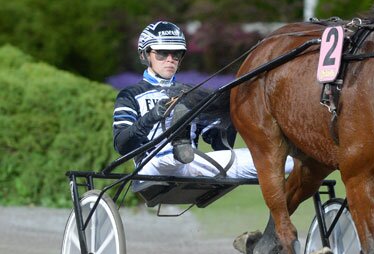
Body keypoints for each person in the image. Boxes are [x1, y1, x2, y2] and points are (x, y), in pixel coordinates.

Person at [112, 21, 292, 190]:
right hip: (151, 166)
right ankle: (179, 146)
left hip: (192, 165)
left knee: (276, 159)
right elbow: (122, 145)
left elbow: (218, 144)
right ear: (144, 55)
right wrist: (151, 117)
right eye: (161, 53)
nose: (170, 59)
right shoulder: (130, 94)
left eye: (176, 54)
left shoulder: (191, 93)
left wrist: (232, 112)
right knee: (170, 155)